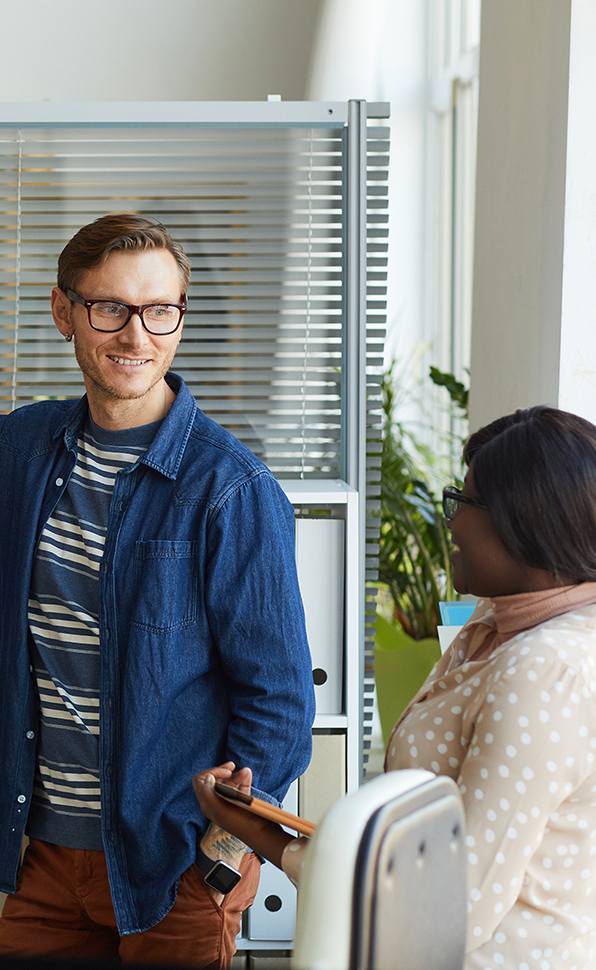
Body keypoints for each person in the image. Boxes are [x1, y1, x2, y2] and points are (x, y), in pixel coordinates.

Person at [0, 214, 316, 966]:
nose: (137, 336)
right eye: (110, 308)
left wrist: (219, 858)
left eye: (160, 311)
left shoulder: (230, 489)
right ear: (65, 312)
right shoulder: (28, 449)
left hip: (171, 862)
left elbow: (279, 703)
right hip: (46, 858)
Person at [194, 405, 596, 970]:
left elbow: (456, 905)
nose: (451, 524)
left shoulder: (545, 670)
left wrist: (269, 839)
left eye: (465, 502)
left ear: (527, 519)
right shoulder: (493, 625)